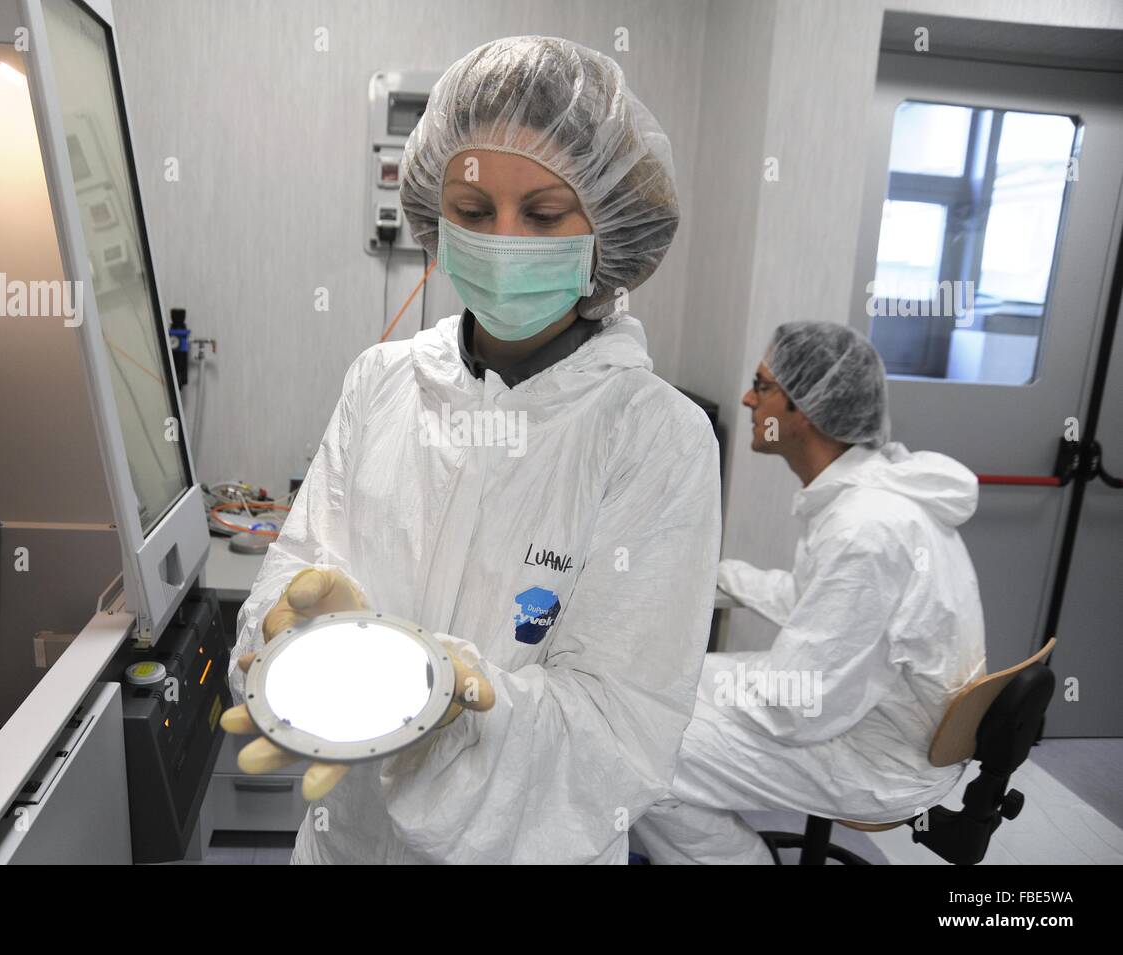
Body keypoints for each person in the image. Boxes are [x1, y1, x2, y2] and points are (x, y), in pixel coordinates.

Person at [221, 36, 722, 864]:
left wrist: (449, 694)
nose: (505, 240)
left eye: (546, 214)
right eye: (475, 210)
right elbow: (298, 570)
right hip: (342, 842)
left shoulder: (654, 438)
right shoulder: (382, 381)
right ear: (434, 215)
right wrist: (284, 644)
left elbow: (620, 729)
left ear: (608, 227)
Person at [634, 321, 987, 864]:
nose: (748, 398)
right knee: (660, 688)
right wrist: (716, 575)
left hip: (881, 758)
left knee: (637, 741)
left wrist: (668, 692)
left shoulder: (866, 527)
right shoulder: (869, 498)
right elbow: (813, 603)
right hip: (882, 717)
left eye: (763, 385)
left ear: (807, 410)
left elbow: (797, 707)